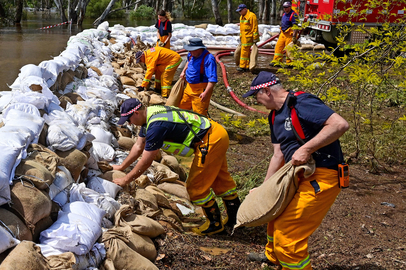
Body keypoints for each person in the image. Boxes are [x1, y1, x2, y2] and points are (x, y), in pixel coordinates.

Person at [243, 72, 349, 270]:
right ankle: (273, 257)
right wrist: (263, 189)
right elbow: (277, 155)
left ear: (266, 91)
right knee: (274, 215)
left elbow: (339, 124)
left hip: (322, 175)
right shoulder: (274, 115)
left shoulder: (301, 103)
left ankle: (292, 263)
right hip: (296, 175)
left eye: (256, 96)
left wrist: (307, 148)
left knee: (288, 232)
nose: (258, 102)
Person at [112, 98, 241, 236]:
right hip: (216, 133)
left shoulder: (156, 126)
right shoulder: (150, 115)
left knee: (196, 187)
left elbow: (146, 160)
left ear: (136, 113)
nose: (129, 123)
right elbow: (138, 146)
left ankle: (215, 225)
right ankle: (235, 219)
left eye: (129, 119)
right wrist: (121, 167)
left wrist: (126, 179)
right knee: (220, 179)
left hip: (210, 141)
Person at [179, 38, 218, 115]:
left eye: (192, 50)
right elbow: (188, 61)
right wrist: (183, 71)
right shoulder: (191, 54)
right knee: (182, 108)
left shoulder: (209, 59)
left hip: (200, 90)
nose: (189, 52)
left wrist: (206, 93)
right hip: (189, 87)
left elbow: (212, 79)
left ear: (199, 49)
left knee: (199, 114)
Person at [270, 2, 298, 67]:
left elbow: (295, 26)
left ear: (290, 7)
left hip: (290, 34)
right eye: (284, 7)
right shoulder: (284, 14)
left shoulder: (293, 15)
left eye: (286, 7)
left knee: (289, 49)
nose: (285, 8)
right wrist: (280, 33)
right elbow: (282, 24)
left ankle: (290, 63)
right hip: (283, 33)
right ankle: (277, 61)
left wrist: (294, 36)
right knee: (278, 47)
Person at [236, 3, 259, 72]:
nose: (239, 13)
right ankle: (246, 66)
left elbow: (255, 27)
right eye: (239, 11)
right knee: (246, 52)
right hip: (243, 37)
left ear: (245, 9)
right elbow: (241, 29)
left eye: (240, 11)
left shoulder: (251, 16)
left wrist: (255, 37)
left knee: (244, 52)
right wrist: (240, 36)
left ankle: (243, 66)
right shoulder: (241, 17)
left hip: (249, 37)